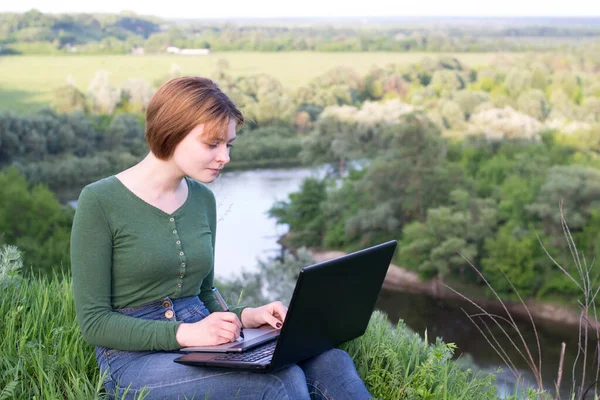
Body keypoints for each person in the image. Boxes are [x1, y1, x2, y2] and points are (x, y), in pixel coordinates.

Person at [70, 76, 373, 400]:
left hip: (204, 338)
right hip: (133, 362)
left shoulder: (202, 198)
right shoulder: (99, 201)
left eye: (228, 144)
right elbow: (94, 323)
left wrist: (247, 317)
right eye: (212, 144)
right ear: (172, 131)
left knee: (331, 361)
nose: (225, 157)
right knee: (279, 382)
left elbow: (203, 292)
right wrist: (186, 333)